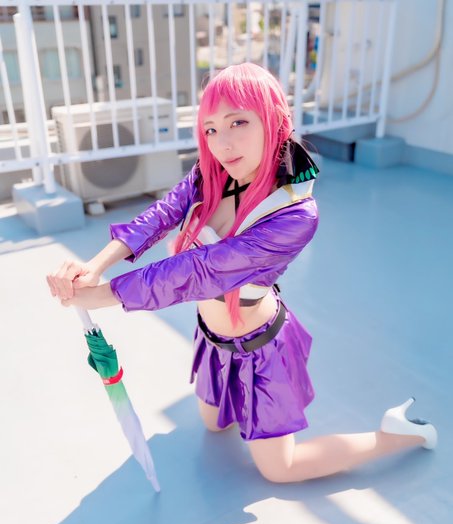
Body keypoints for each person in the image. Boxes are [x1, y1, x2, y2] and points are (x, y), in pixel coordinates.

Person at [47, 63, 437, 484]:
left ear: (273, 119)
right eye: (211, 129)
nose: (223, 143)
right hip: (213, 338)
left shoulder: (296, 215)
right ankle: (239, 396)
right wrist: (94, 267)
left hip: (261, 347)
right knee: (214, 424)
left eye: (238, 122)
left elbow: (202, 269)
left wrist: (102, 295)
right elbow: (160, 215)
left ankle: (396, 434)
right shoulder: (211, 175)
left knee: (280, 469)